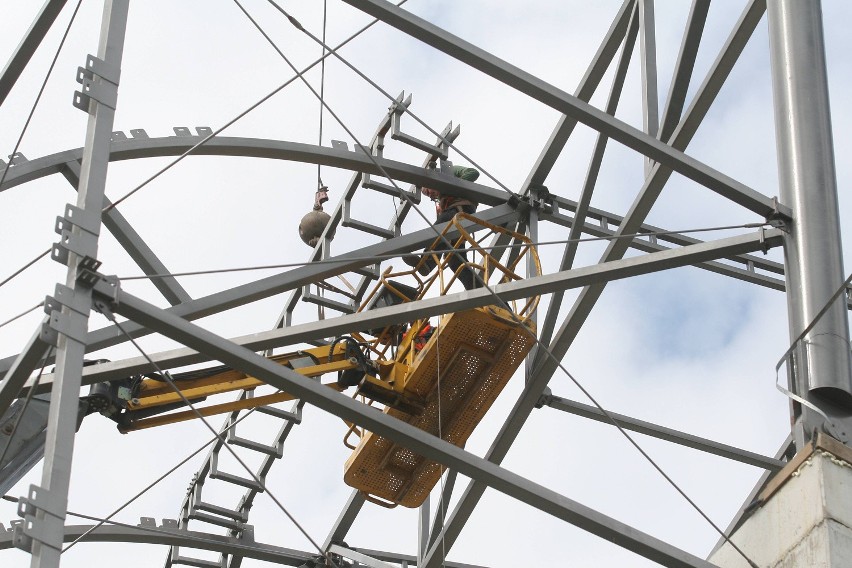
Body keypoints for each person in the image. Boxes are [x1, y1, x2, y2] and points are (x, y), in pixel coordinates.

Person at [404, 165, 480, 289]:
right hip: (456, 217)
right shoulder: (444, 200)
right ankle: (480, 292)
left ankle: (427, 263)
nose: (431, 195)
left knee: (437, 230)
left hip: (460, 210)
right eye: (429, 196)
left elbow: (473, 173)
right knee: (455, 261)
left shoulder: (450, 173)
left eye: (429, 191)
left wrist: (453, 186)